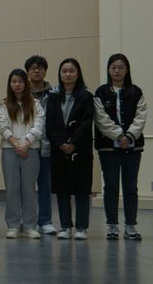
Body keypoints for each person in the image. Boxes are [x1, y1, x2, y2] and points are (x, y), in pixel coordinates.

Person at [93, 53, 147, 240]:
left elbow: (141, 117)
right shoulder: (101, 92)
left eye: (121, 67)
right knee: (111, 186)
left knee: (130, 187)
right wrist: (118, 135)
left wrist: (129, 136)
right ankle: (112, 227)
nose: (117, 71)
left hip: (133, 148)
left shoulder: (136, 92)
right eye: (113, 67)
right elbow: (101, 119)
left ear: (127, 70)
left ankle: (131, 226)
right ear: (108, 69)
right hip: (108, 148)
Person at [46, 58, 94, 240]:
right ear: (59, 74)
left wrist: (73, 143)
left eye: (71, 71)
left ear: (78, 73)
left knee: (82, 188)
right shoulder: (53, 96)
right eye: (64, 71)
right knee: (62, 188)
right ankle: (65, 226)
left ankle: (81, 227)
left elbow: (86, 123)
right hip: (59, 149)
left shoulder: (86, 97)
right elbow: (50, 124)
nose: (67, 74)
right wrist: (61, 143)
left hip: (81, 149)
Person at [0, 69, 44, 239]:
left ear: (26, 83)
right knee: (12, 189)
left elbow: (39, 126)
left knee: (29, 189)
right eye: (14, 81)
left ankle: (30, 225)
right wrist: (17, 144)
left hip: (31, 149)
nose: (17, 85)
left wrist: (26, 143)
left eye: (20, 81)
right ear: (10, 84)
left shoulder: (35, 104)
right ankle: (13, 225)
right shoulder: (3, 105)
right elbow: (2, 126)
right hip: (10, 150)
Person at [24, 55, 57, 234]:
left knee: (45, 185)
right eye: (33, 68)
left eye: (40, 68)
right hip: (26, 145)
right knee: (26, 185)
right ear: (28, 72)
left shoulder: (54, 94)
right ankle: (26, 220)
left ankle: (45, 221)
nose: (36, 71)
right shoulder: (21, 93)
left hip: (46, 145)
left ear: (45, 71)